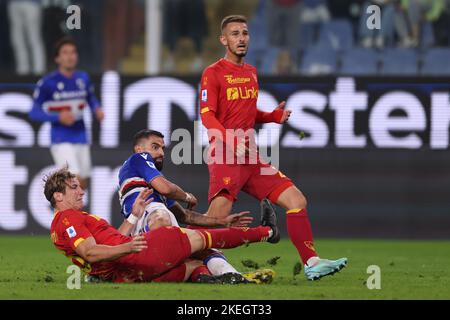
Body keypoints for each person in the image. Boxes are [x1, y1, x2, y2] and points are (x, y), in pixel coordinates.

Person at [199, 15, 347, 281]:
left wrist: (271, 116)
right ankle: (180, 255)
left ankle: (311, 262)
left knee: (296, 200)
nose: (241, 38)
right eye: (234, 34)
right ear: (224, 40)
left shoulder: (251, 72)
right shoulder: (213, 73)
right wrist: (232, 140)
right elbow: (208, 116)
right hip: (226, 155)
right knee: (215, 221)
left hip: (251, 158)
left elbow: (245, 111)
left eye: (245, 33)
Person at [46, 167, 280, 283]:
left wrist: (134, 217)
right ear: (58, 196)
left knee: (193, 266)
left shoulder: (60, 227)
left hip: (127, 275)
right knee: (203, 239)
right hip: (135, 256)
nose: (81, 190)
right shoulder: (69, 219)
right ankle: (267, 232)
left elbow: (107, 243)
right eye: (74, 187)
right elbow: (90, 252)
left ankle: (228, 281)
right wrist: (128, 248)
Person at [117, 129, 272, 283]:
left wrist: (222, 222)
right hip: (145, 227)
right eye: (155, 147)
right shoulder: (138, 158)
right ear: (139, 149)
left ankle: (234, 276)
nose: (161, 153)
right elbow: (167, 188)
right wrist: (186, 196)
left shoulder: (151, 188)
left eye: (163, 149)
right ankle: (267, 232)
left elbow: (186, 216)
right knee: (161, 219)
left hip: (151, 238)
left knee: (203, 250)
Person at [29, 36, 104, 191]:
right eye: (65, 53)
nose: (70, 56)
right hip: (61, 137)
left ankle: (74, 213)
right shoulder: (48, 83)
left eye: (73, 52)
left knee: (84, 182)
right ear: (57, 58)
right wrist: (58, 117)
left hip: (81, 135)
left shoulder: (83, 78)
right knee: (72, 179)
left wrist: (96, 108)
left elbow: (90, 97)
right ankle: (65, 214)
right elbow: (34, 112)